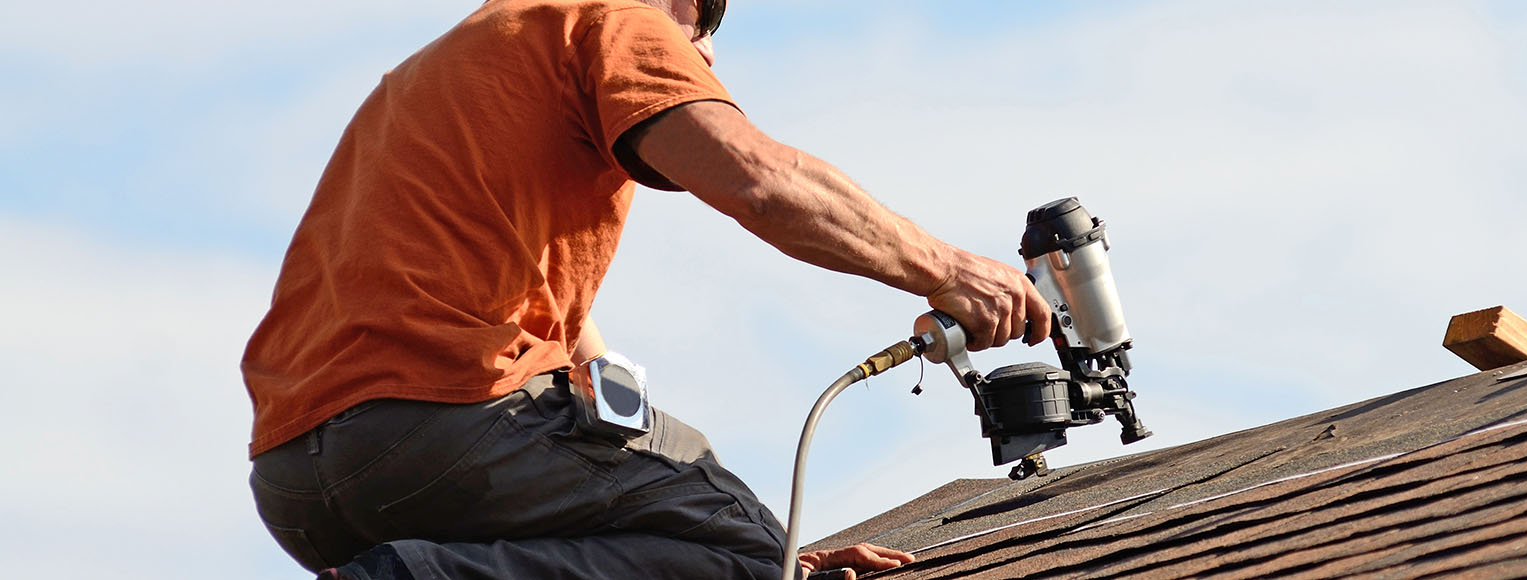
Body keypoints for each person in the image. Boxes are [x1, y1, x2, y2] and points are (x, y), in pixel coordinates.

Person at [240, 0, 1052, 578]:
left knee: (720, 533)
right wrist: (951, 273)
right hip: (443, 428)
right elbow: (760, 181)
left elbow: (553, 327)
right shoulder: (612, 19)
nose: (705, 56)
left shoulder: (443, 68)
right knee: (739, 551)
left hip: (296, 484)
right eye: (704, 20)